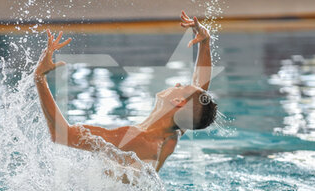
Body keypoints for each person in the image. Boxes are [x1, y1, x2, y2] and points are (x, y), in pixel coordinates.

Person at [34, 11, 217, 176]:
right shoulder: (171, 135)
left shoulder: (137, 137)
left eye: (182, 86)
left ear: (178, 102)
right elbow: (198, 96)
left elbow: (61, 134)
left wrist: (40, 78)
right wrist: (204, 42)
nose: (178, 83)